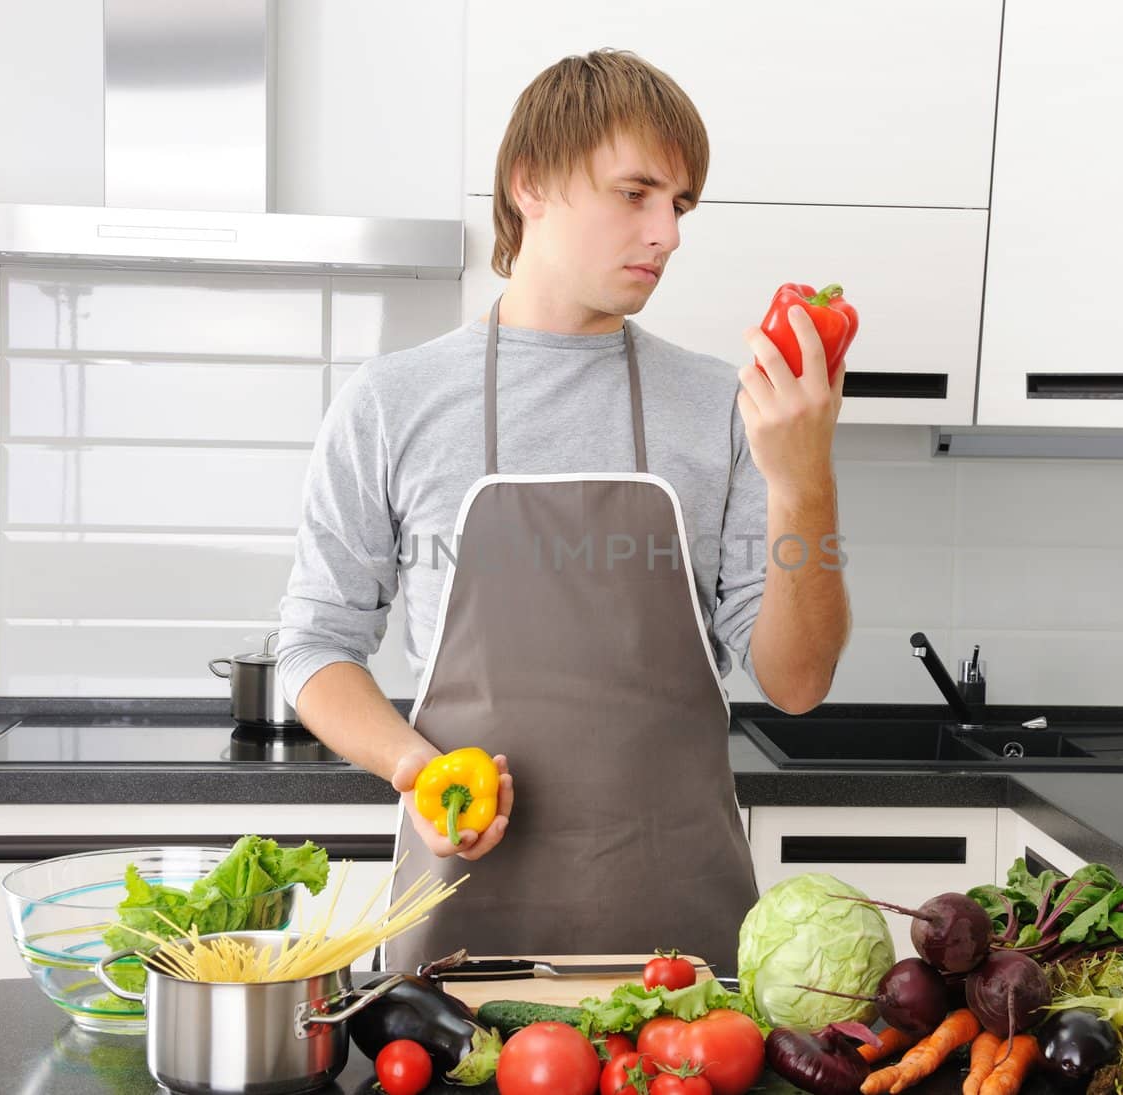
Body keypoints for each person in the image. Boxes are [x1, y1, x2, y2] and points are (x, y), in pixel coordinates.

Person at [277, 49, 849, 974]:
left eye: (681, 205)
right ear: (530, 183)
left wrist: (804, 482)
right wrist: (416, 769)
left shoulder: (723, 406)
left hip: (685, 957)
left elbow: (797, 681)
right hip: (457, 941)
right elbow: (314, 645)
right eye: (637, 193)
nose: (666, 232)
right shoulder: (393, 402)